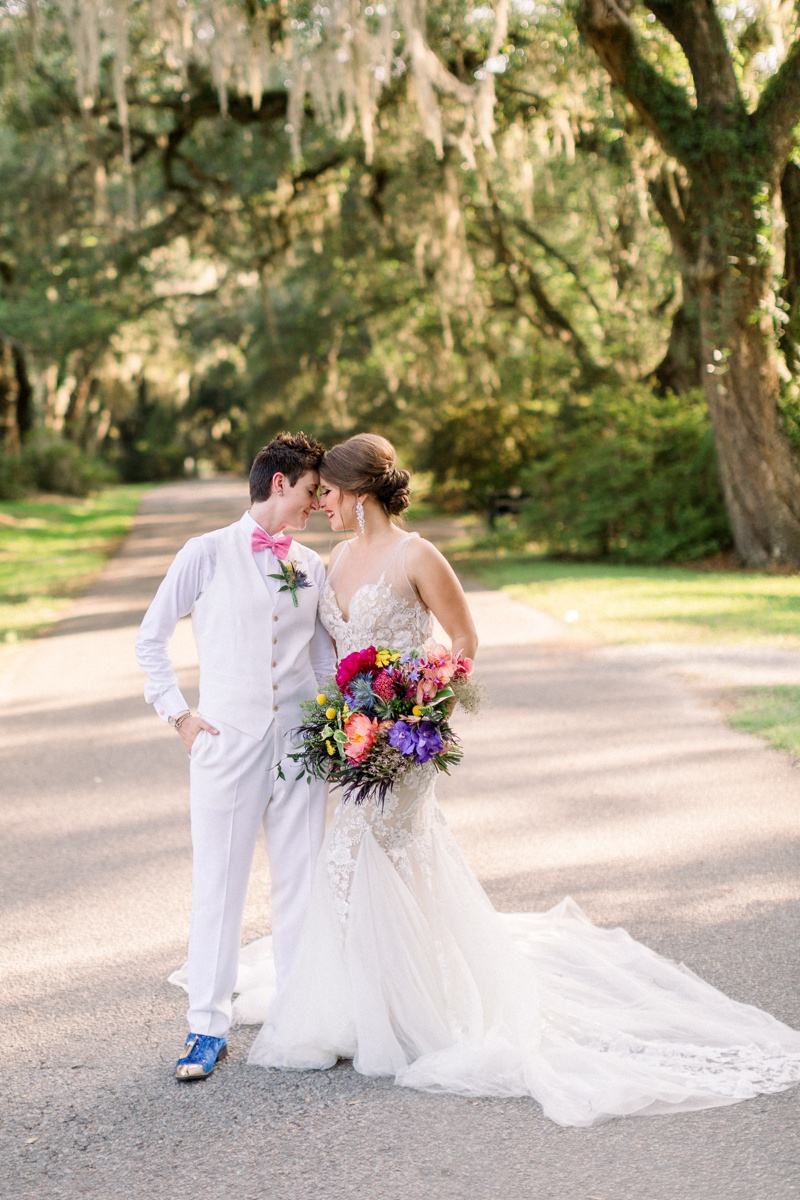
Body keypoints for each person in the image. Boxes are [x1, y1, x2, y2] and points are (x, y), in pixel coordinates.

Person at [242, 433, 800, 1127]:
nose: (319, 502)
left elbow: (465, 642)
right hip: (356, 737)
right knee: (349, 858)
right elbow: (332, 649)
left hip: (407, 741)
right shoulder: (334, 561)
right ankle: (358, 1008)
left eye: (327, 493)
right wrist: (340, 722)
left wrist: (421, 711)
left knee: (391, 850)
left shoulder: (418, 557)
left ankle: (415, 1011)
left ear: (358, 495)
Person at [136, 432, 335, 1081]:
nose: (315, 503)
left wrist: (334, 723)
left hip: (302, 741)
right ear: (281, 483)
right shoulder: (205, 554)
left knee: (301, 882)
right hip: (226, 742)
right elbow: (151, 638)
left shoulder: (312, 565)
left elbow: (320, 655)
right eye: (312, 489)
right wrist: (180, 717)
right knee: (219, 886)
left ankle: (300, 1015)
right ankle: (205, 1028)